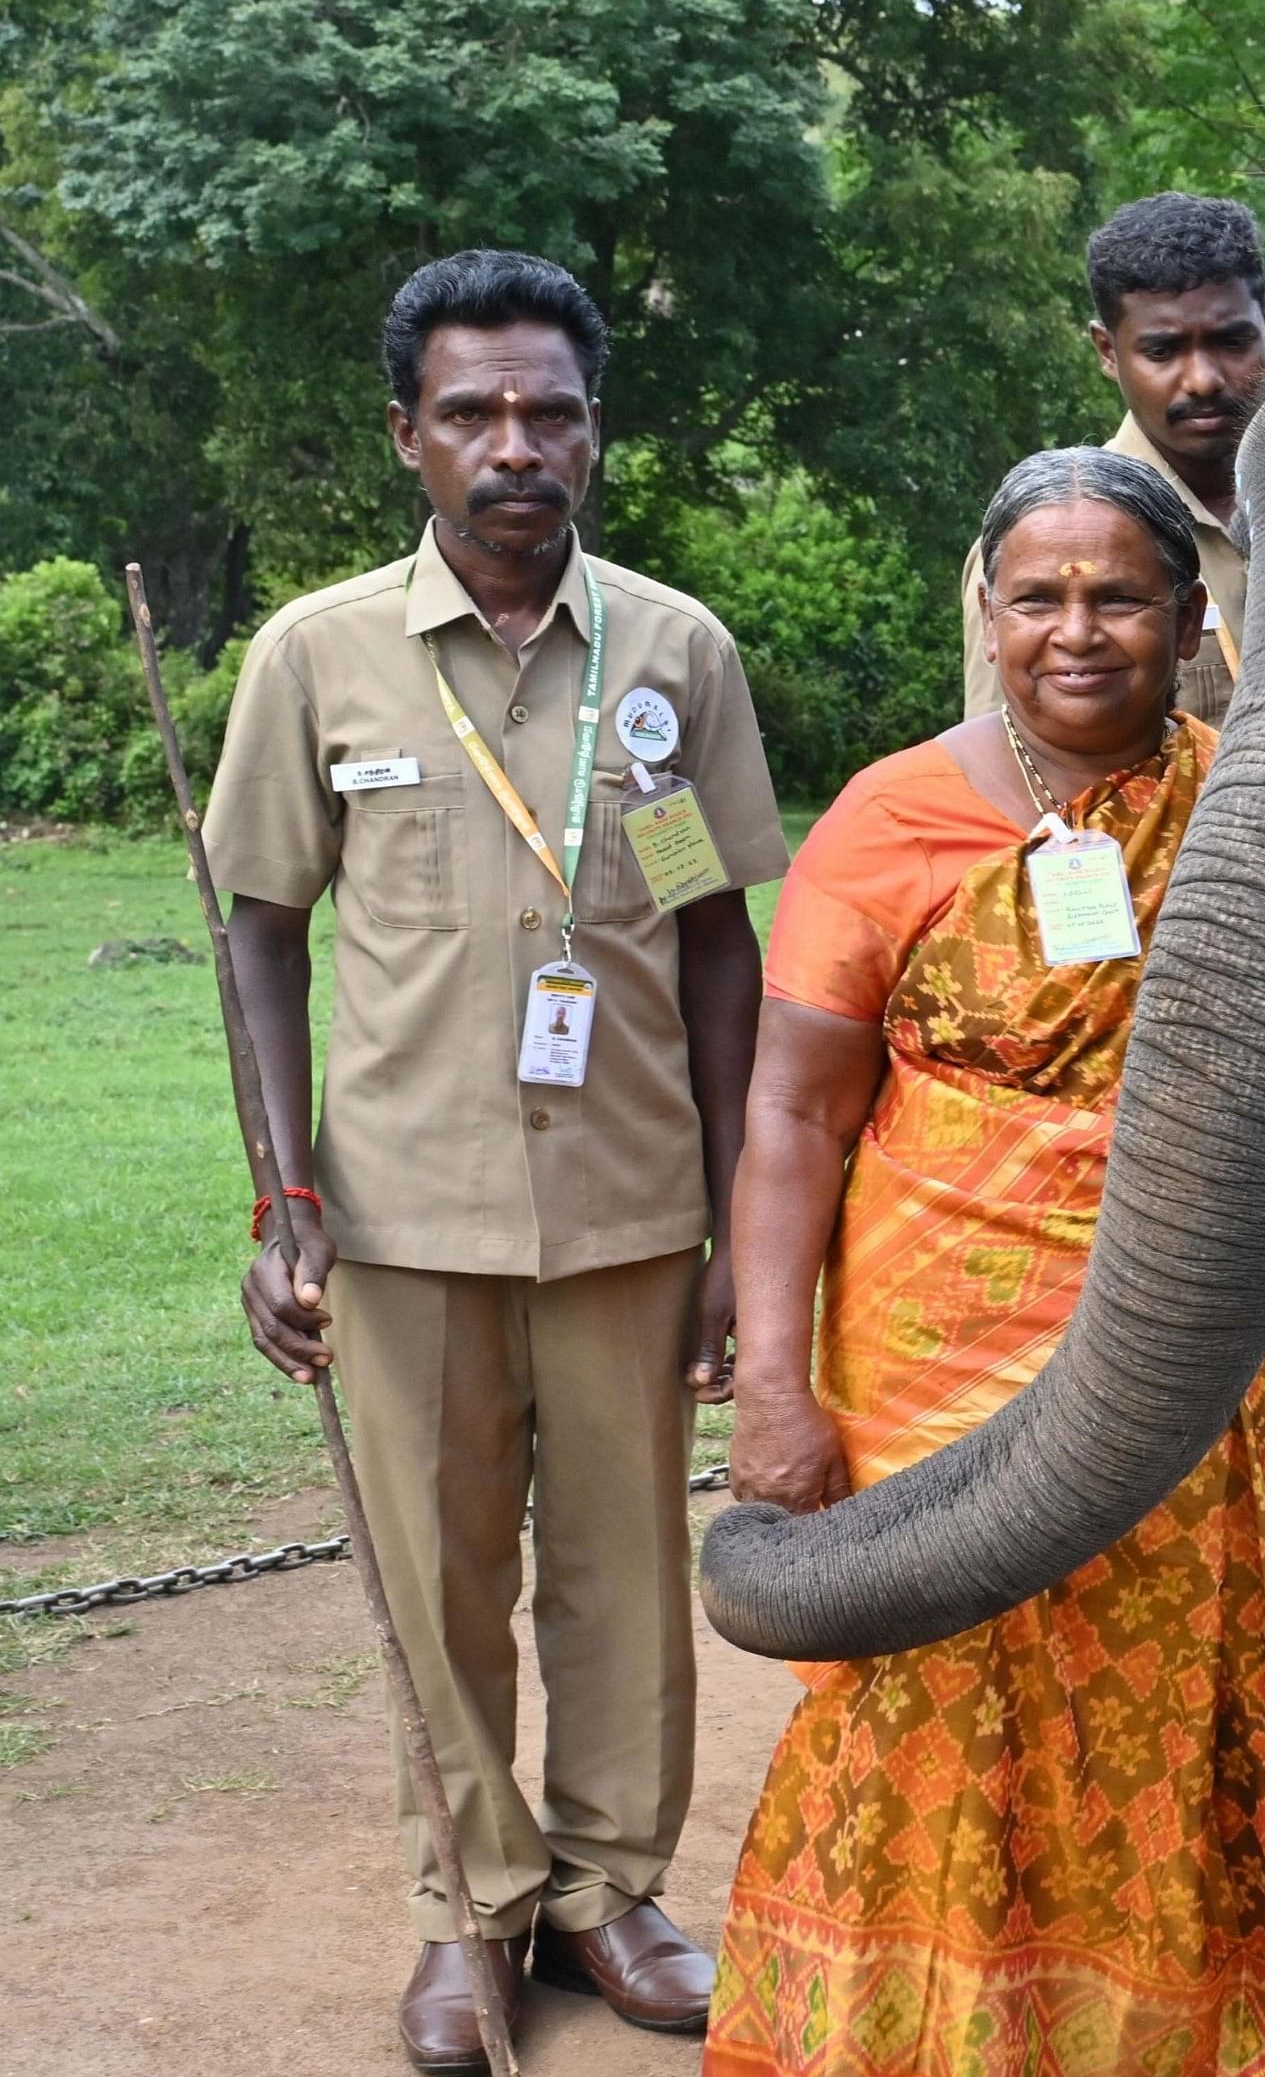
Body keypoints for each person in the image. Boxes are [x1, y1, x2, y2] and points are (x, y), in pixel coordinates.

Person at [707, 447, 1265, 2076]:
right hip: (943, 1326)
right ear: (983, 614)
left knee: (1206, 1669)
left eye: (1120, 594)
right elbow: (791, 1110)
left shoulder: (1264, 813)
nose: (1077, 629)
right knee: (945, 1657)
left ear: (1192, 621)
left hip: (1220, 1310)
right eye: (1036, 595)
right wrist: (770, 1378)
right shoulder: (889, 820)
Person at [206, 249, 783, 2069]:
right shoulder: (320, 656)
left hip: (628, 1207)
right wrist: (283, 1194)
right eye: (472, 413)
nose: (512, 444)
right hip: (398, 1218)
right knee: (433, 1578)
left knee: (623, 1574)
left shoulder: (672, 653)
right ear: (409, 437)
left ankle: (612, 1892)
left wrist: (735, 1231)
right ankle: (468, 1912)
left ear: (593, 432)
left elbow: (715, 943)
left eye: (548, 411)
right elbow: (257, 932)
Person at [958, 192, 1265, 726]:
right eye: (1162, 351)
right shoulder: (1043, 541)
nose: (1203, 379)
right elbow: (1008, 765)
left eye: (1231, 342)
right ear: (1108, 350)